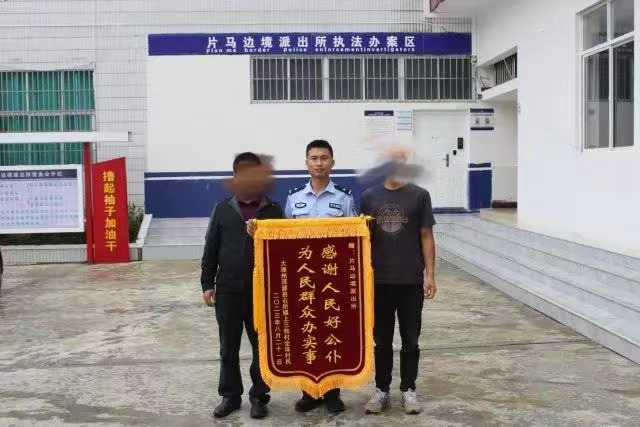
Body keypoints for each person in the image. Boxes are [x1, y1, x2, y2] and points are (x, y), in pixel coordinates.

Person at [247, 139, 356, 413]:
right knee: (305, 331)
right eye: (314, 158)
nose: (319, 163)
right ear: (306, 163)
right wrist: (260, 233)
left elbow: (354, 239)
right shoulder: (294, 198)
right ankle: (308, 391)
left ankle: (331, 392)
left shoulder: (344, 198)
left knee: (332, 332)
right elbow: (283, 237)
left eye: (324, 158)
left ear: (332, 162)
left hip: (332, 280)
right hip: (302, 278)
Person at [201, 152, 285, 419]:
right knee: (228, 347)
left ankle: (259, 396)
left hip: (262, 292)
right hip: (228, 290)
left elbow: (283, 250)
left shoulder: (273, 210)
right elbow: (211, 247)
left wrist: (262, 235)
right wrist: (207, 283)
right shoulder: (223, 209)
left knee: (262, 347)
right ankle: (230, 396)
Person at [359, 152, 437, 415]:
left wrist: (430, 275)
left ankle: (408, 390)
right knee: (381, 341)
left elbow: (426, 235)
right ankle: (382, 390)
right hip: (378, 282)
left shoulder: (420, 196)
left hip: (410, 281)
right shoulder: (369, 197)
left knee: (410, 340)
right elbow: (361, 238)